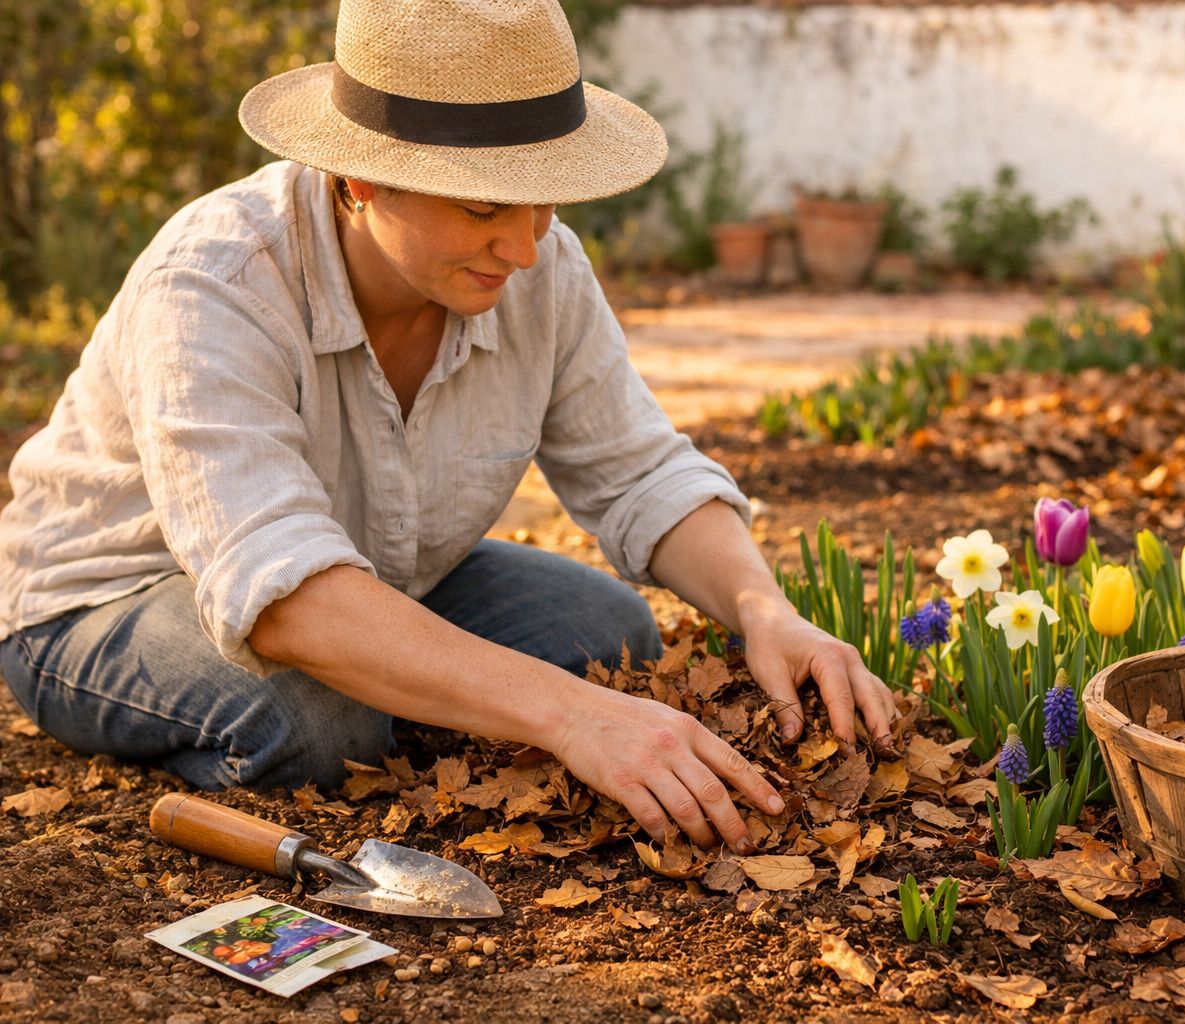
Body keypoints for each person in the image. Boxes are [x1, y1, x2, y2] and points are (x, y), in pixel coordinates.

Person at [0, 0, 896, 856]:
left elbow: (640, 472)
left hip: (370, 571)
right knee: (318, 720)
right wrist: (569, 717)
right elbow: (279, 596)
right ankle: (356, 707)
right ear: (361, 177)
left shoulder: (539, 269)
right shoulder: (217, 281)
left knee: (607, 629)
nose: (526, 247)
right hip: (104, 601)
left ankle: (401, 679)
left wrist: (765, 611)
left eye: (545, 200)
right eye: (483, 207)